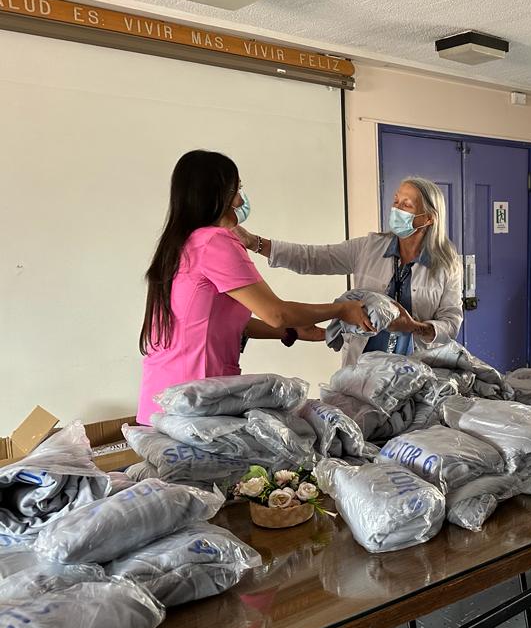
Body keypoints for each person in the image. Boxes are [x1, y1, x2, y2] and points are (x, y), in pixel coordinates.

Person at [138, 150, 373, 425]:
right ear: (217, 195)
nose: (240, 200)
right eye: (236, 189)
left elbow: (215, 320)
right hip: (194, 403)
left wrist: (293, 331)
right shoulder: (215, 242)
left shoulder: (180, 243)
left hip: (163, 397)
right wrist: (343, 310)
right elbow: (277, 312)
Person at [235, 178, 463, 366]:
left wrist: (414, 327)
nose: (396, 209)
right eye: (395, 202)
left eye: (406, 205)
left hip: (415, 367)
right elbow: (312, 258)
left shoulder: (447, 264)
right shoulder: (369, 248)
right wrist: (255, 243)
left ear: (428, 218)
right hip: (363, 364)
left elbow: (451, 322)